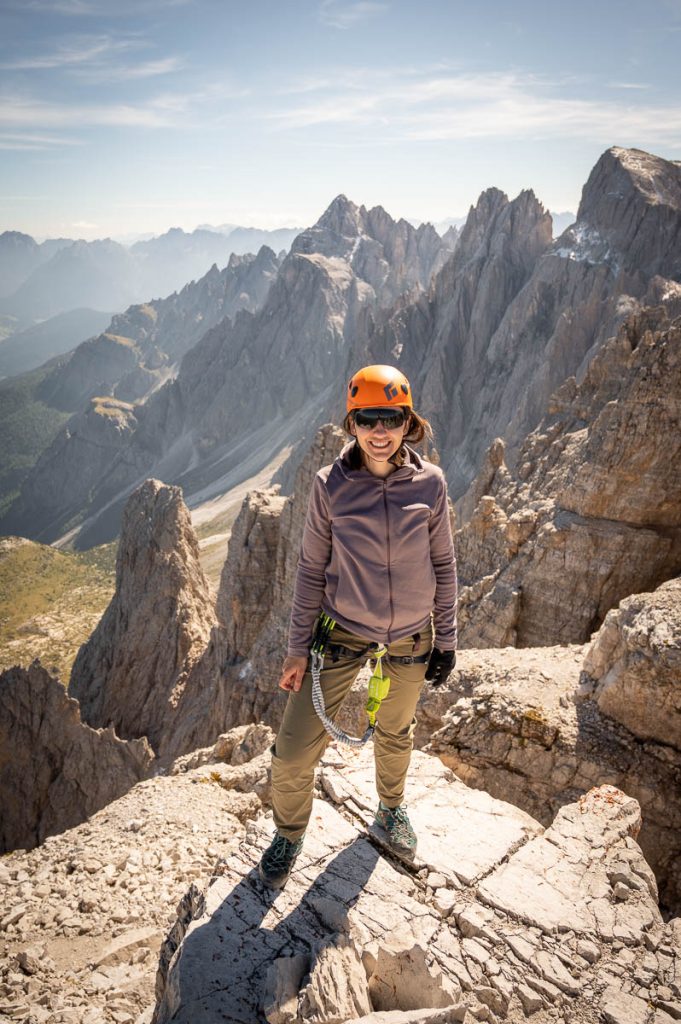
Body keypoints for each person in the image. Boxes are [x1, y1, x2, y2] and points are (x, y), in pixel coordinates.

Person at [258, 364, 457, 888]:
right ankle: (288, 834)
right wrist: (297, 650)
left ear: (407, 422)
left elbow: (445, 564)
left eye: (390, 418)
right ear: (351, 423)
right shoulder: (331, 486)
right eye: (366, 418)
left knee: (396, 730)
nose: (379, 430)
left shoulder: (431, 485)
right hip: (343, 629)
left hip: (413, 633)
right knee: (295, 749)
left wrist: (448, 640)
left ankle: (391, 809)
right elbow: (309, 569)